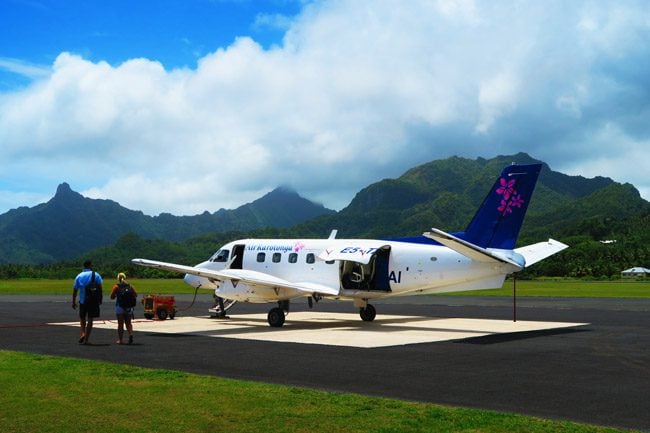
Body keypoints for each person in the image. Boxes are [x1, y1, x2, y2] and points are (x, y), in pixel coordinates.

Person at [72, 260, 103, 345]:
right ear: (90, 265)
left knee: (82, 318)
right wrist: (100, 299)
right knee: (90, 319)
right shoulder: (96, 275)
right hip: (93, 300)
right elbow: (100, 288)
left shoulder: (79, 276)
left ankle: (82, 333)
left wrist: (73, 301)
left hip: (83, 300)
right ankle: (86, 339)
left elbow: (75, 290)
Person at [110, 272, 137, 345]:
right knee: (128, 323)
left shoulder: (116, 286)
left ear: (118, 279)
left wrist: (117, 295)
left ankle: (120, 339)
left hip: (120, 306)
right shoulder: (130, 286)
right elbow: (135, 294)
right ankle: (130, 334)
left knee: (120, 324)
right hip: (128, 307)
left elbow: (112, 297)